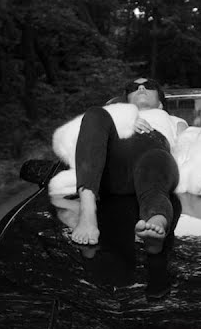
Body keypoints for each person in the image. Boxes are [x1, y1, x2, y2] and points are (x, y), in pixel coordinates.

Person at [68, 77, 178, 251]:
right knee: (94, 113)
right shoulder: (112, 117)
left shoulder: (174, 120)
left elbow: (190, 147)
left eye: (149, 86)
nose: (141, 88)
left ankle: (156, 223)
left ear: (160, 104)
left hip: (155, 160)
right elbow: (87, 145)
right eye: (134, 87)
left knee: (155, 165)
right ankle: (87, 211)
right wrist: (123, 119)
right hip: (114, 170)